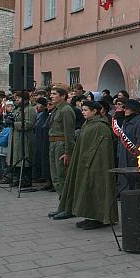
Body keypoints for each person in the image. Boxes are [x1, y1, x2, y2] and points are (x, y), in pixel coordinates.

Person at [52, 101, 117, 228]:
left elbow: (102, 149)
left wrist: (90, 162)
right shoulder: (88, 124)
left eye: (86, 110)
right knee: (87, 189)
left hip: (96, 164)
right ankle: (90, 215)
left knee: (96, 189)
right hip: (85, 162)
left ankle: (99, 217)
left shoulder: (100, 126)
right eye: (83, 109)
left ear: (95, 111)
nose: (83, 112)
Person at [46, 86, 76, 216]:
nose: (51, 96)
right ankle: (62, 205)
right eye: (51, 94)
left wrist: (68, 152)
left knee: (62, 176)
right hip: (53, 143)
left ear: (63, 96)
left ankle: (68, 207)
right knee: (56, 176)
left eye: (54, 94)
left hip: (61, 144)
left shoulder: (66, 110)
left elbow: (69, 133)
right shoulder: (57, 109)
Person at [114, 98, 140, 190]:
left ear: (133, 110)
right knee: (124, 180)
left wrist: (136, 156)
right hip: (124, 156)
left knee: (133, 182)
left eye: (127, 108)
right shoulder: (126, 121)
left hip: (133, 157)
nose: (124, 110)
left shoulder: (139, 123)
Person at [7, 91, 36, 188]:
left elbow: (28, 124)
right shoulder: (18, 109)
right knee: (16, 158)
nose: (17, 100)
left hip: (25, 138)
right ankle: (18, 178)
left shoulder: (30, 109)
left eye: (19, 98)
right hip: (16, 137)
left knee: (24, 157)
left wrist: (14, 124)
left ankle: (26, 179)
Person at [32, 97, 52, 190]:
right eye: (47, 104)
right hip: (40, 139)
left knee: (48, 160)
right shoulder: (43, 114)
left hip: (49, 140)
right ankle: (45, 179)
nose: (48, 106)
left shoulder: (53, 114)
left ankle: (51, 181)